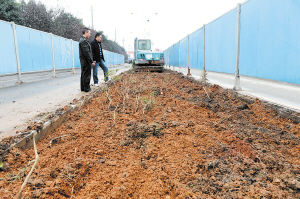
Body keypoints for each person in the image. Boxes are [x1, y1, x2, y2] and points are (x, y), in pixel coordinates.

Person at [79, 28, 95, 92]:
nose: (90, 34)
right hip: (86, 61)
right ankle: (87, 89)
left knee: (84, 74)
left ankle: (83, 88)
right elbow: (87, 53)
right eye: (89, 33)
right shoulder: (83, 41)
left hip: (85, 61)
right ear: (86, 33)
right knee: (87, 75)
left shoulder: (83, 40)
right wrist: (91, 61)